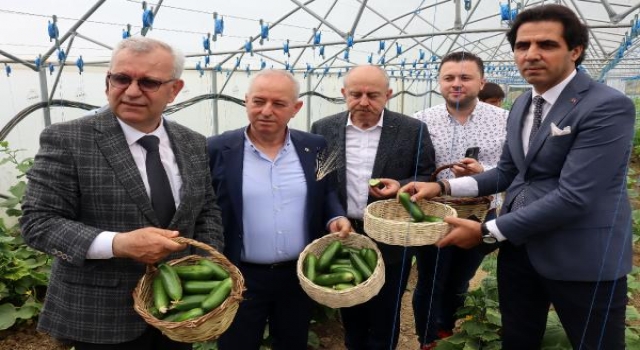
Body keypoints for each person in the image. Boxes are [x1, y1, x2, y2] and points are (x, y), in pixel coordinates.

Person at [399, 4, 634, 349]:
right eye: (522, 46)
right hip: (522, 251)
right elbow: (509, 172)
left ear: (576, 50)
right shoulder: (524, 104)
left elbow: (575, 196)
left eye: (547, 45)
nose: (531, 54)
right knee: (519, 339)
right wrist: (442, 185)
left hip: (580, 254)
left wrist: (486, 232)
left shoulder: (606, 105)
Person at [20, 37, 224, 350]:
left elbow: (206, 208)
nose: (131, 91)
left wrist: (207, 265)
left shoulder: (192, 142)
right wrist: (118, 244)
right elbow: (39, 223)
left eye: (149, 82)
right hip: (101, 317)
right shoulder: (68, 139)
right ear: (108, 81)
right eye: (121, 78)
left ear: (175, 90)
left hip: (178, 309)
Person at [207, 69, 351, 350]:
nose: (266, 111)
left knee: (292, 341)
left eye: (279, 104)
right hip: (240, 276)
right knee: (237, 344)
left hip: (298, 274)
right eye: (258, 101)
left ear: (296, 108)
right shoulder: (216, 149)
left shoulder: (315, 146)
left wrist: (336, 216)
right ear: (246, 101)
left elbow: (328, 191)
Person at [311, 65, 436, 350]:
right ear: (344, 94)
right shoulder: (324, 129)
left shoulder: (411, 129)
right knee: (350, 305)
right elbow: (318, 179)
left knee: (387, 309)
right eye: (356, 94)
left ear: (388, 95)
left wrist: (401, 185)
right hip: (344, 233)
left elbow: (426, 174)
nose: (364, 102)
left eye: (373, 95)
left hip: (391, 233)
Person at [411, 51, 508, 348]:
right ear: (439, 82)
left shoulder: (505, 119)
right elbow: (415, 167)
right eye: (449, 78)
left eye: (465, 78)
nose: (456, 84)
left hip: (482, 214)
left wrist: (483, 173)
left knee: (459, 280)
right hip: (433, 216)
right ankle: (427, 338)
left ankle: (447, 331)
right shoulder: (421, 121)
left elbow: (514, 166)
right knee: (430, 279)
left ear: (481, 82)